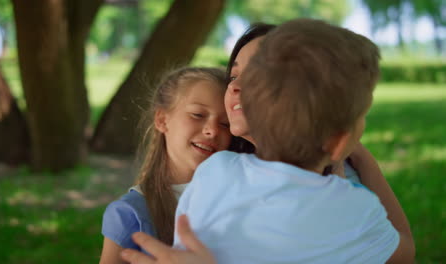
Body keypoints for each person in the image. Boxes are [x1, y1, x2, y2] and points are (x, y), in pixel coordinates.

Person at [121, 19, 415, 263]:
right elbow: (404, 251)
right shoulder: (357, 207)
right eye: (233, 75)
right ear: (340, 141)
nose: (235, 87)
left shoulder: (214, 171)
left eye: (256, 80)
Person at [99, 67, 233, 264]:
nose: (212, 130)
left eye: (226, 124)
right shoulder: (131, 213)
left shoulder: (238, 196)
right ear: (163, 120)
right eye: (197, 114)